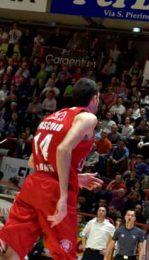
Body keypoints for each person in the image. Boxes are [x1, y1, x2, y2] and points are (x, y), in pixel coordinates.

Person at [0, 78, 103, 259]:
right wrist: (63, 196)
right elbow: (63, 149)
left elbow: (34, 161)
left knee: (13, 251)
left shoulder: (51, 117)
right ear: (95, 98)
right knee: (64, 254)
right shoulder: (87, 117)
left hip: (32, 187)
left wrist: (75, 177)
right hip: (53, 193)